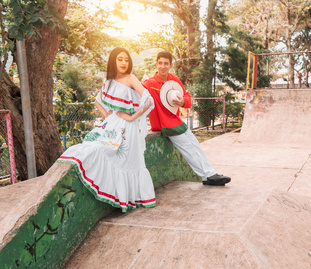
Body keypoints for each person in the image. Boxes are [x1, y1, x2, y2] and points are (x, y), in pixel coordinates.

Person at [57, 47, 155, 212]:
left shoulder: (131, 79)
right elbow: (98, 101)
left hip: (128, 129)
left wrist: (132, 117)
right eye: (120, 59)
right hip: (112, 124)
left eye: (126, 59)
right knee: (92, 149)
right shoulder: (109, 81)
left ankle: (130, 198)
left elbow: (149, 101)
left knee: (122, 159)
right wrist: (107, 114)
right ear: (113, 61)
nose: (124, 63)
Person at [143, 50, 231, 186]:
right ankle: (209, 175)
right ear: (156, 64)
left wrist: (183, 102)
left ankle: (208, 175)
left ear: (171, 65)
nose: (162, 66)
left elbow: (187, 97)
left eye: (166, 63)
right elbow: (137, 93)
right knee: (188, 148)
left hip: (175, 121)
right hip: (164, 124)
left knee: (194, 144)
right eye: (160, 63)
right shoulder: (150, 83)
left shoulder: (174, 80)